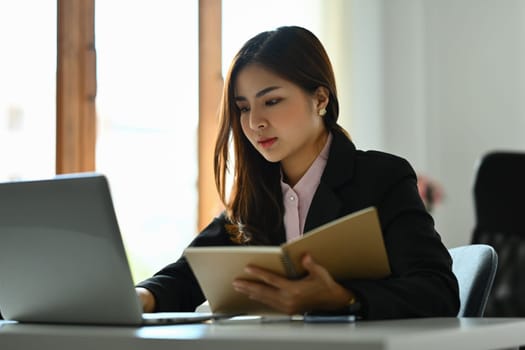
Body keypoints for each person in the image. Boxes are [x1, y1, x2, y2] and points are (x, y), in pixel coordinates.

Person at [136, 26, 459, 319]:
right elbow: (189, 273)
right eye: (244, 107)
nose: (253, 123)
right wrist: (142, 296)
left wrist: (343, 298)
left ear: (320, 98)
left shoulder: (381, 178)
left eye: (272, 101)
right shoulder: (256, 195)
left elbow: (438, 290)